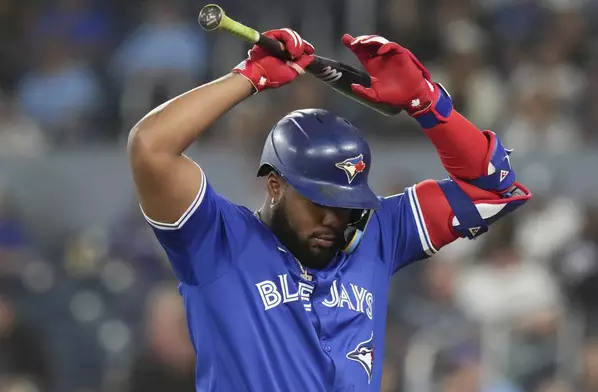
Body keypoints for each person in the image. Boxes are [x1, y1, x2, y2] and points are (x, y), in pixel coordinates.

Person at [127, 28, 531, 391]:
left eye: (347, 204)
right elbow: (151, 146)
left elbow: (494, 187)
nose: (334, 220)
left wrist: (426, 104)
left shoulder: (376, 235)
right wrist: (248, 79)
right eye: (320, 202)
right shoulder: (215, 241)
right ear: (274, 184)